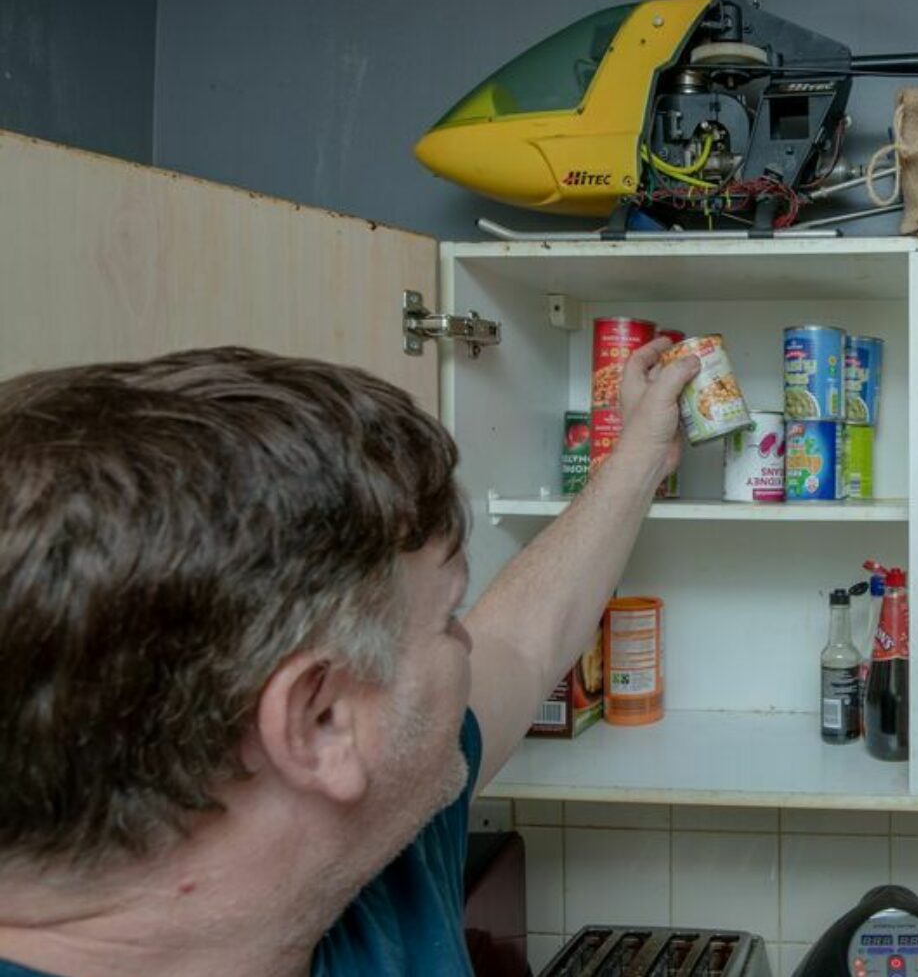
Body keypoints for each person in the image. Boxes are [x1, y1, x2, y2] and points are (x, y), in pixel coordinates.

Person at [0, 340, 699, 977]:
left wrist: (638, 455)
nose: (469, 646)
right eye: (449, 618)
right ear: (322, 721)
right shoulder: (370, 812)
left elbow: (525, 636)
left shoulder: (373, 836)